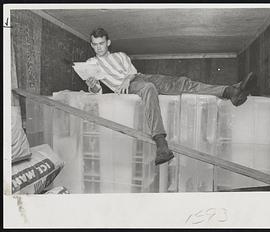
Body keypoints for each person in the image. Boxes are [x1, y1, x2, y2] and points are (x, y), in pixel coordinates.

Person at [85, 27, 256, 166]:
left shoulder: (120, 56)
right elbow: (96, 91)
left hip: (139, 77)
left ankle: (230, 92)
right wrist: (93, 84)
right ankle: (161, 144)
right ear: (92, 45)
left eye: (101, 43)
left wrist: (126, 78)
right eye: (95, 44)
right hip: (129, 88)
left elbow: (132, 73)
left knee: (182, 83)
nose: (98, 47)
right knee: (148, 88)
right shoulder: (90, 64)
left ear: (108, 42)